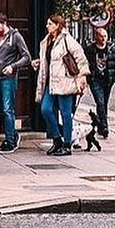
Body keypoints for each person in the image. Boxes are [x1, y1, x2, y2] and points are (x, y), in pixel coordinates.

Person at [32, 14, 88, 156]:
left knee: (65, 113)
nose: (47, 26)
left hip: (65, 81)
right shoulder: (47, 41)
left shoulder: (67, 40)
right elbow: (50, 59)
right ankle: (57, 139)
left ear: (57, 25)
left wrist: (82, 76)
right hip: (50, 82)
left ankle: (67, 144)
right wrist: (39, 62)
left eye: (50, 24)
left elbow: (80, 57)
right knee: (45, 109)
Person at [0, 13, 32, 152]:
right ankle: (14, 135)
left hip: (8, 79)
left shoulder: (15, 37)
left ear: (4, 23)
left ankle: (9, 141)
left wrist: (13, 66)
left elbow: (26, 57)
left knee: (7, 108)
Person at [82, 26, 115, 146]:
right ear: (96, 37)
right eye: (101, 36)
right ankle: (104, 126)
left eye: (105, 36)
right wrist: (85, 79)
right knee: (100, 102)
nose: (104, 39)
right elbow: (83, 64)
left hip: (108, 80)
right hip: (95, 79)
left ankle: (101, 125)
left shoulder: (112, 49)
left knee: (104, 103)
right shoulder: (89, 50)